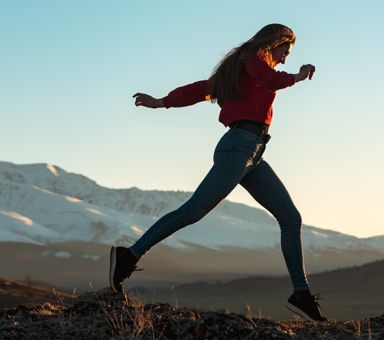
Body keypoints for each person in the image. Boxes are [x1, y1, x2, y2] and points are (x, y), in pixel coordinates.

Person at [109, 23, 327, 322]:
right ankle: (129, 256)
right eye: (285, 51)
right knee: (194, 211)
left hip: (252, 152)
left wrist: (162, 102)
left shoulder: (242, 68)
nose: (286, 58)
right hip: (239, 147)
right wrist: (297, 78)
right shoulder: (256, 58)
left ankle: (301, 295)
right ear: (273, 43)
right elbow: (267, 79)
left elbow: (202, 89)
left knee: (291, 218)